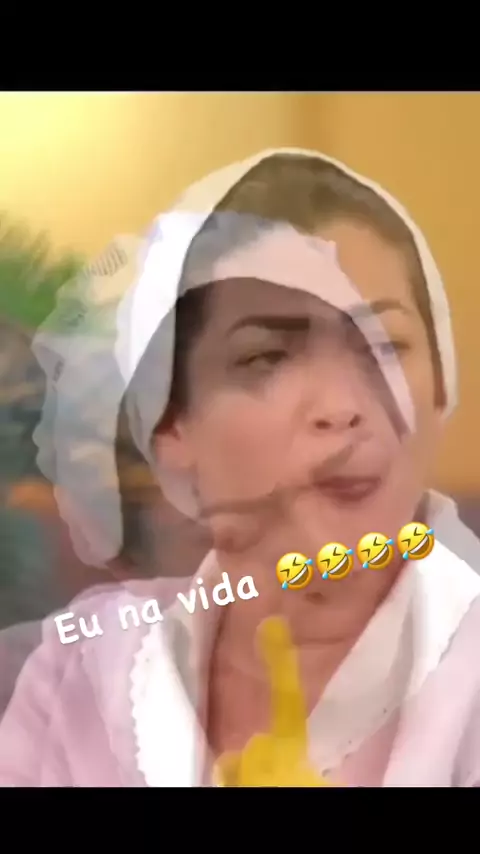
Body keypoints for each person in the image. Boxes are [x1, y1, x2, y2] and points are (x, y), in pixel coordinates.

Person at [0, 147, 480, 787]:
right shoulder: (78, 675)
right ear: (172, 424)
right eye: (267, 359)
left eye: (386, 347)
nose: (343, 406)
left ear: (441, 386)